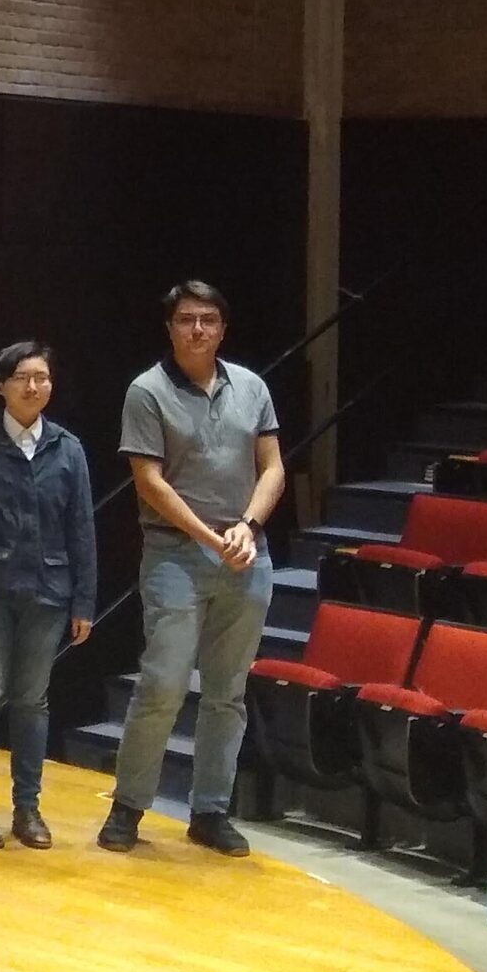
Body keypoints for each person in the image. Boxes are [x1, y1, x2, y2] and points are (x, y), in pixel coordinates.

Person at [103, 281, 285, 857]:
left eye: (208, 319)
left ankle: (209, 811)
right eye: (186, 319)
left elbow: (274, 466)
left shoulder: (252, 386)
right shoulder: (147, 391)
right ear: (170, 327)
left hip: (246, 555)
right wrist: (212, 536)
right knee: (162, 683)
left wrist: (248, 528)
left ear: (223, 328)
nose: (198, 329)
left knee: (227, 693)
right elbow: (149, 482)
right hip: (175, 555)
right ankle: (128, 807)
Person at [0, 342, 96, 851]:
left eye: (43, 377)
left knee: (32, 700)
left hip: (49, 592)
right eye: (23, 377)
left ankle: (28, 808)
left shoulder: (67, 448)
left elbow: (82, 531)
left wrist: (84, 602)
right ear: (1, 385)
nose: (34, 387)